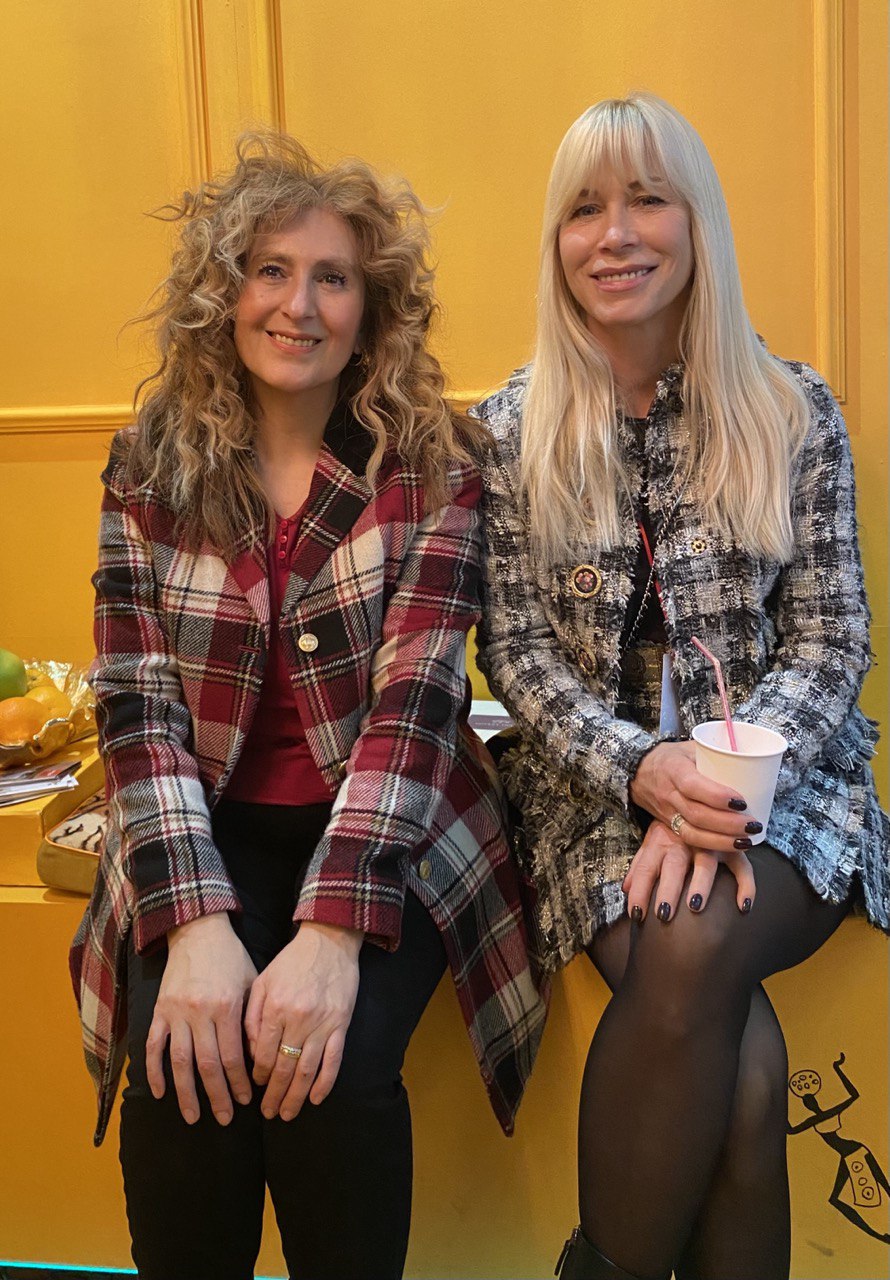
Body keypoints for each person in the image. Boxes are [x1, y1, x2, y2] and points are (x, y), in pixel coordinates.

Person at [69, 132, 545, 1280]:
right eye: (270, 271)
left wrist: (330, 935)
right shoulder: (148, 465)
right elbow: (135, 707)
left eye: (331, 277)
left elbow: (414, 707)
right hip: (203, 828)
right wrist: (192, 926)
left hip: (393, 831)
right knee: (183, 1071)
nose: (298, 303)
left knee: (330, 1074)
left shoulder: (435, 464)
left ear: (369, 308)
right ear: (220, 293)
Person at [473, 93, 889, 1280]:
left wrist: (711, 786)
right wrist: (644, 773)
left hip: (783, 790)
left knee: (695, 937)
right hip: (590, 802)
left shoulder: (790, 410)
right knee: (745, 1081)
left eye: (646, 199)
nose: (614, 234)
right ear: (555, 241)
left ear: (695, 220)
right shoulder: (505, 431)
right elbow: (517, 658)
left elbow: (830, 640)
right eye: (583, 209)